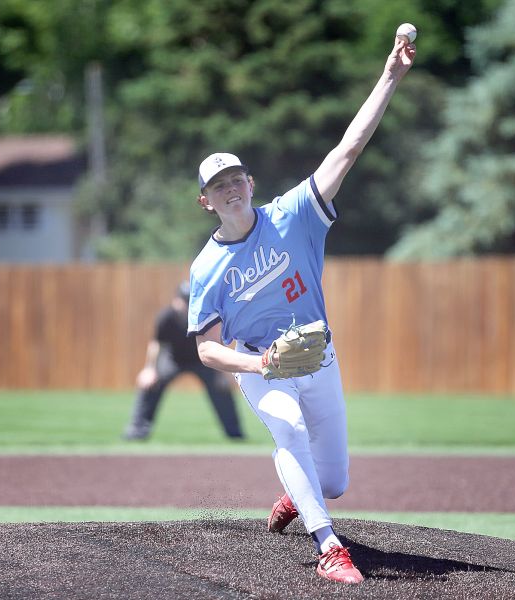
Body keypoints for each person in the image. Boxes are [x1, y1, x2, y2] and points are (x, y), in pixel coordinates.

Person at [186, 36, 416, 584]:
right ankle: (329, 548)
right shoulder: (205, 269)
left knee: (333, 481)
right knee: (287, 429)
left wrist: (390, 77)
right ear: (206, 201)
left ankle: (299, 496)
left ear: (250, 182)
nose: (231, 188)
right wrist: (259, 367)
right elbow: (207, 348)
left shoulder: (293, 215)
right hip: (262, 367)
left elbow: (348, 149)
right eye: (218, 185)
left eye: (236, 178)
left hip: (319, 358)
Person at [122, 281, 244, 441]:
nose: (187, 306)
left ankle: (234, 434)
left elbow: (216, 344)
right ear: (176, 300)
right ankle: (138, 429)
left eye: (190, 301)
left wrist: (224, 374)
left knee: (220, 386)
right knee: (151, 383)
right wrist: (150, 369)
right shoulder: (166, 317)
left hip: (202, 360)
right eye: (184, 301)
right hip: (173, 359)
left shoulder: (203, 316)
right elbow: (157, 344)